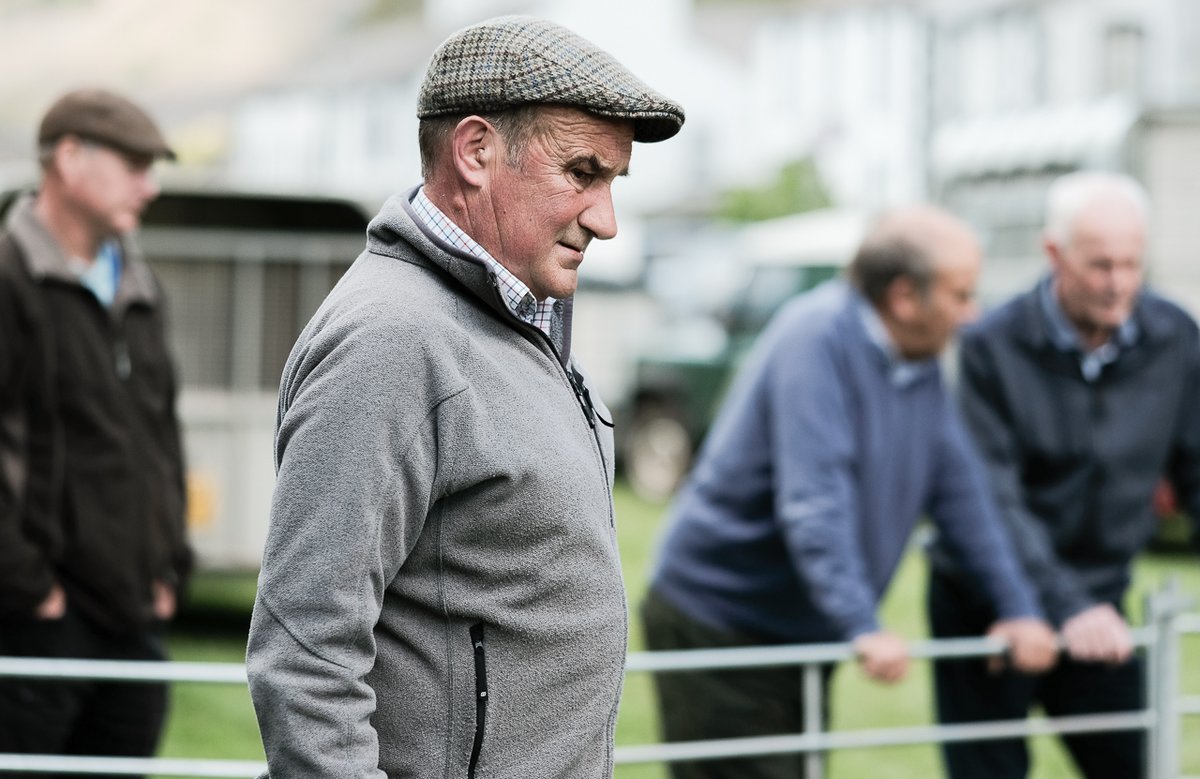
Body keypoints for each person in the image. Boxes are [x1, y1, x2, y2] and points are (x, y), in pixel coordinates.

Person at [244, 15, 684, 779]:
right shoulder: (392, 340)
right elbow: (306, 654)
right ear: (475, 151)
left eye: (613, 182)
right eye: (582, 172)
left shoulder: (516, 315)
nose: (606, 220)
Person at [642, 205, 1059, 779]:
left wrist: (1017, 608)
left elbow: (962, 497)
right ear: (905, 297)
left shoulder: (922, 363)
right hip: (723, 617)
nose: (972, 315)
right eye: (961, 296)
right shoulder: (815, 338)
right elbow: (815, 502)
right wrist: (862, 624)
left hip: (795, 627)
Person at [928, 171, 1200, 779]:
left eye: (1132, 264)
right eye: (1100, 266)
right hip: (988, 599)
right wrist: (1061, 604)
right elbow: (992, 496)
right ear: (1054, 254)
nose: (1119, 284)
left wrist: (1085, 606)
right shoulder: (989, 346)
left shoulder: (1175, 337)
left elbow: (1196, 467)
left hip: (1100, 604)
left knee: (1138, 764)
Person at [0, 89, 191, 774]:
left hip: (135, 615)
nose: (151, 184)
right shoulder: (9, 278)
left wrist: (171, 564)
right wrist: (29, 590)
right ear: (70, 159)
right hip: (37, 622)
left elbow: (160, 434)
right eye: (135, 163)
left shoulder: (140, 284)